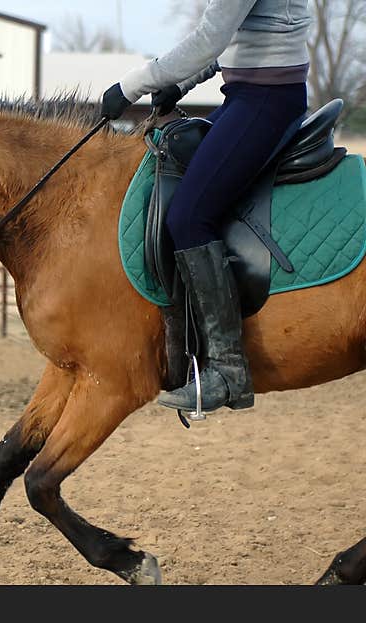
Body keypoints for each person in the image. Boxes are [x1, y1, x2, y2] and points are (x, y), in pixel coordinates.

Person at [100, 0, 311, 414]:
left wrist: (132, 86)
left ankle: (229, 369)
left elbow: (209, 38)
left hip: (265, 98)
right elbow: (229, 40)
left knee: (189, 216)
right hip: (250, 93)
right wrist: (181, 84)